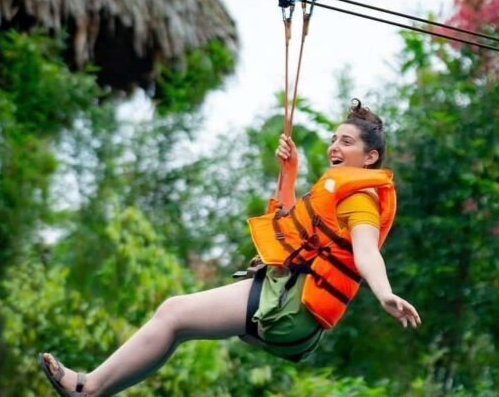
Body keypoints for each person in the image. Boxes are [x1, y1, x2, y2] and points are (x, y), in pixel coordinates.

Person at [39, 98, 421, 396]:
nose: (335, 147)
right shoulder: (335, 193)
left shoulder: (361, 197)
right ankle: (91, 389)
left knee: (173, 313)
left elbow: (367, 251)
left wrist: (384, 293)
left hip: (290, 306)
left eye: (346, 141)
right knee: (176, 322)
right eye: (334, 139)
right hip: (288, 301)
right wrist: (287, 174)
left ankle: (87, 388)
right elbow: (288, 224)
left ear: (370, 157)